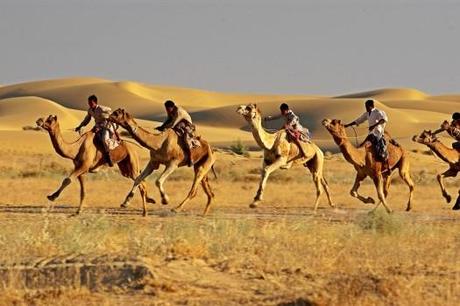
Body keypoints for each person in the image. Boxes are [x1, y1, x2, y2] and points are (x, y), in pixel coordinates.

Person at [345, 99, 390, 165]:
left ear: (371, 106)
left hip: (378, 133)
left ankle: (386, 163)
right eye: (365, 106)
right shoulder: (367, 114)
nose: (365, 108)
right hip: (371, 134)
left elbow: (383, 120)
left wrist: (374, 126)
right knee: (362, 146)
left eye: (366, 106)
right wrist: (348, 125)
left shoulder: (378, 112)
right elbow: (359, 120)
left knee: (380, 150)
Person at [75, 95, 115, 166]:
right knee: (88, 137)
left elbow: (109, 116)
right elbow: (87, 119)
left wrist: (100, 127)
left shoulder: (102, 109)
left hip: (106, 126)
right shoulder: (90, 110)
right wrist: (80, 126)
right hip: (97, 126)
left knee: (104, 139)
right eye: (89, 103)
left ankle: (108, 157)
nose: (90, 104)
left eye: (91, 103)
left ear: (95, 103)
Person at [155, 100, 197, 166]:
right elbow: (168, 120)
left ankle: (190, 158)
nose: (167, 110)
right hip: (179, 124)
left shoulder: (179, 112)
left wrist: (165, 128)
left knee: (186, 139)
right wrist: (161, 127)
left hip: (187, 125)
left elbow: (173, 123)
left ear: (172, 107)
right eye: (166, 109)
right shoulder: (170, 111)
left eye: (168, 109)